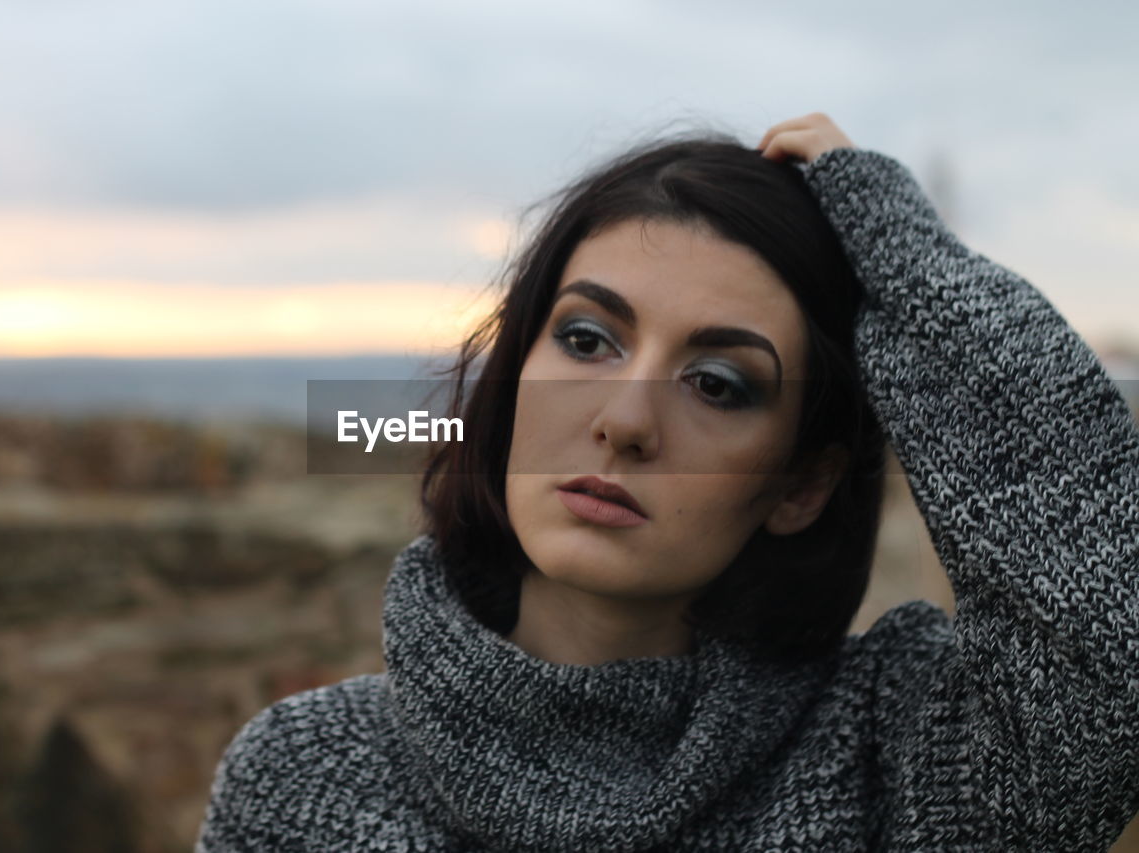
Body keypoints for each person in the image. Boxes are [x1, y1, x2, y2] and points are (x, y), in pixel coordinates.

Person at [195, 113, 1139, 851]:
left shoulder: (900, 761)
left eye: (719, 384)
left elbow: (1106, 622)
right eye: (585, 338)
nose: (626, 421)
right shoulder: (307, 774)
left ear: (801, 485)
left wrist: (909, 255)